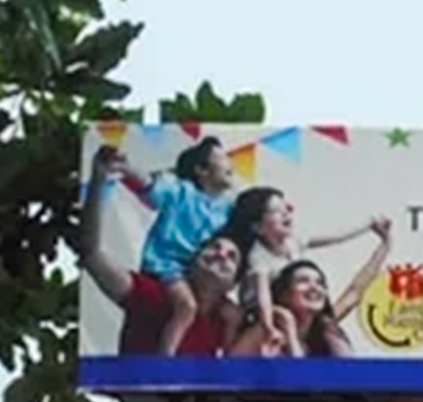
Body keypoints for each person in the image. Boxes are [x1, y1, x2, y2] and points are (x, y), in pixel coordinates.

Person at [79, 145, 239, 357]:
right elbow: (91, 254)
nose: (221, 255)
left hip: (184, 279)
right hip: (165, 265)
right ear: (202, 170)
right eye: (223, 158)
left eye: (232, 256)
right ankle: (164, 363)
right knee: (186, 307)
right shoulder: (180, 191)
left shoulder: (229, 316)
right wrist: (118, 170)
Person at [221, 186, 384, 351]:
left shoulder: (294, 241)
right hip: (260, 309)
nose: (285, 213)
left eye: (285, 208)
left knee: (325, 325)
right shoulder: (258, 257)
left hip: (289, 305)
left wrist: (368, 225)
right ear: (258, 227)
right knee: (286, 318)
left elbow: (336, 236)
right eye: (276, 211)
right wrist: (269, 328)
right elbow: (263, 296)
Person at [229, 220, 393, 359]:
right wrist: (287, 326)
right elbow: (230, 371)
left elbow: (354, 292)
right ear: (284, 294)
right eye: (303, 281)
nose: (315, 288)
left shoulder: (322, 326)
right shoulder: (264, 330)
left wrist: (385, 244)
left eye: (320, 283)